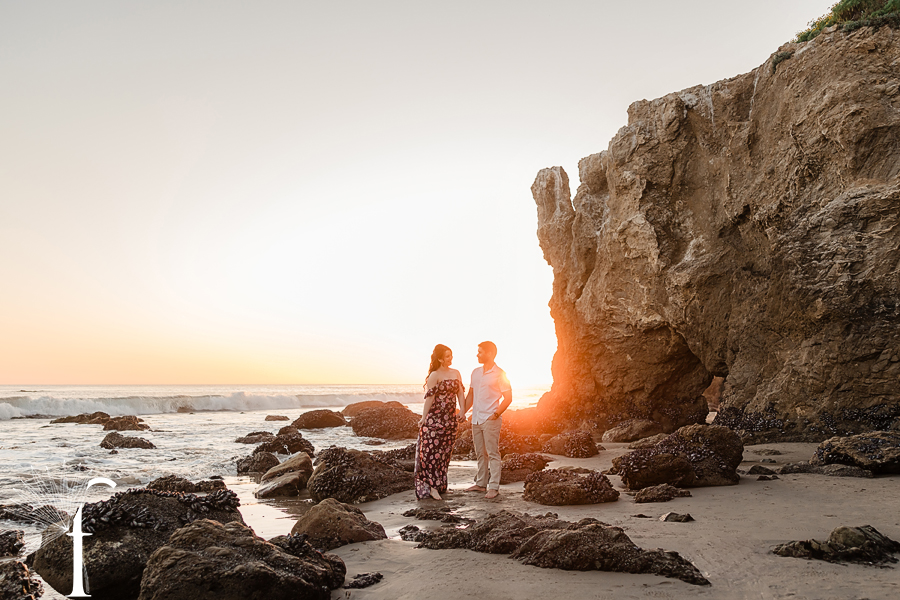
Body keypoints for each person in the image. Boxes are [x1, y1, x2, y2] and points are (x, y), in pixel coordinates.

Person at [416, 344, 466, 501]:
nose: (451, 358)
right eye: (447, 356)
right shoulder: (434, 375)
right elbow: (429, 398)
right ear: (440, 359)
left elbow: (460, 393)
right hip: (435, 421)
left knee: (444, 455)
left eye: (451, 355)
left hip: (450, 421)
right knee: (432, 455)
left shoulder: (456, 373)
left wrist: (463, 411)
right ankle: (432, 488)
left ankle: (441, 485)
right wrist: (423, 418)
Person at [463, 341, 512, 499]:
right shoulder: (475, 372)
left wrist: (496, 414)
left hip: (491, 418)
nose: (477, 355)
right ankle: (481, 484)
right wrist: (462, 412)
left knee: (492, 453)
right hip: (476, 419)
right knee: (480, 453)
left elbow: (508, 398)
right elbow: (471, 395)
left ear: (490, 353)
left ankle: (494, 487)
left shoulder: (500, 374)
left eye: (480, 352)